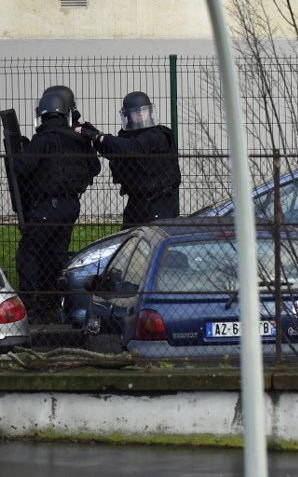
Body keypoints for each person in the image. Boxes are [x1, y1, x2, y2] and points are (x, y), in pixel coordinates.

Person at [13, 91, 101, 323]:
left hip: (47, 206)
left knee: (30, 252)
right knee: (56, 254)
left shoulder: (44, 140)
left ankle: (31, 305)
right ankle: (55, 304)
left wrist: (21, 149)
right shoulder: (79, 139)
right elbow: (95, 168)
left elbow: (20, 168)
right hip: (71, 205)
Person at [77, 91, 181, 230]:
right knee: (127, 240)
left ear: (149, 112)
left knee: (154, 238)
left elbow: (132, 148)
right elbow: (115, 151)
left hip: (158, 201)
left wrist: (98, 136)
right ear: (127, 115)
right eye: (135, 112)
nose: (139, 114)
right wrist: (92, 133)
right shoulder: (128, 136)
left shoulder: (157, 135)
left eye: (143, 111)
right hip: (137, 201)